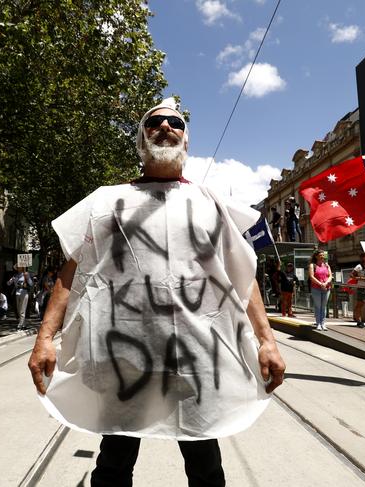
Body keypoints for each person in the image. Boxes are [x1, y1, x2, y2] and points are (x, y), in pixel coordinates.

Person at [27, 98, 285, 487]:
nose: (165, 127)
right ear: (141, 139)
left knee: (205, 466)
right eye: (155, 123)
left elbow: (242, 276)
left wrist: (267, 340)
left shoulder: (211, 203)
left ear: (186, 140)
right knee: (114, 464)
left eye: (175, 123)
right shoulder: (105, 201)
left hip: (196, 360)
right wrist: (45, 337)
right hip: (123, 360)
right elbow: (71, 271)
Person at [308, 249, 332, 331]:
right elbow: (311, 277)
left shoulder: (326, 265)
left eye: (323, 255)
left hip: (326, 288)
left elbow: (330, 276)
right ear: (316, 256)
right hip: (316, 288)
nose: (322, 256)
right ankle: (318, 323)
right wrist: (320, 284)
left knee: (323, 306)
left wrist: (325, 283)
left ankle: (323, 323)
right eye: (320, 255)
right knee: (318, 306)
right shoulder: (312, 265)